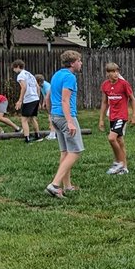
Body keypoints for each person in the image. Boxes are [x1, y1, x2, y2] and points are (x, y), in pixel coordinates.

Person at [46, 50, 83, 198]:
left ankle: (67, 186)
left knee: (65, 152)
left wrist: (51, 115)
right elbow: (65, 100)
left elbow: (47, 98)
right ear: (73, 63)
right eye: (79, 61)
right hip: (66, 117)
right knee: (76, 151)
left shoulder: (56, 75)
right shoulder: (69, 77)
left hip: (56, 116)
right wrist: (69, 121)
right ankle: (55, 185)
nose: (81, 63)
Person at [98, 63, 135, 175]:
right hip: (112, 116)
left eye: (117, 71)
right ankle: (124, 168)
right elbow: (104, 102)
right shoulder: (105, 85)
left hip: (122, 116)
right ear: (107, 73)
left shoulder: (124, 84)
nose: (115, 74)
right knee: (119, 141)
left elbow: (132, 99)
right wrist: (101, 119)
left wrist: (134, 115)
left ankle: (118, 163)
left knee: (111, 138)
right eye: (112, 71)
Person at [11, 60, 42, 143]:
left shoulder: (21, 75)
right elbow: (38, 88)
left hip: (28, 99)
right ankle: (37, 135)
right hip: (35, 98)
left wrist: (20, 100)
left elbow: (24, 87)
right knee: (32, 118)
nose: (14, 70)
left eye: (14, 68)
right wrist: (38, 100)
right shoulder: (30, 74)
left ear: (17, 66)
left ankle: (27, 138)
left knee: (24, 120)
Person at [36, 73, 55, 140]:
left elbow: (48, 96)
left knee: (51, 117)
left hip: (53, 102)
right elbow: (45, 96)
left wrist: (46, 105)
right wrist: (44, 103)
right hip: (49, 101)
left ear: (38, 82)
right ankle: (53, 133)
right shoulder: (42, 86)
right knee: (50, 117)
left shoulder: (47, 86)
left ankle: (53, 134)